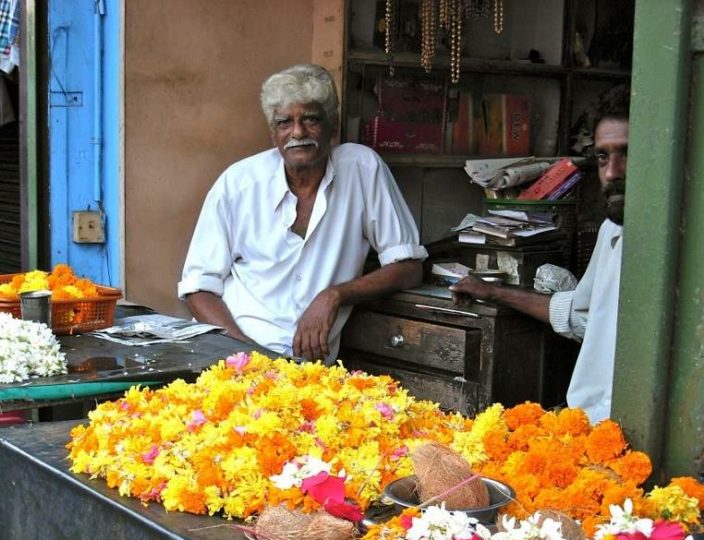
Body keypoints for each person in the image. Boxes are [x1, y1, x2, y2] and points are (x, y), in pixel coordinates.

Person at [178, 64, 427, 364]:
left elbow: (409, 267)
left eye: (310, 119)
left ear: (332, 125)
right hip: (233, 360)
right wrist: (244, 354)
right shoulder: (238, 184)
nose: (298, 132)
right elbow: (198, 288)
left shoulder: (362, 169)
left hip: (308, 374)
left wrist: (333, 296)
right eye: (284, 122)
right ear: (273, 133)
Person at [450, 85, 630, 424]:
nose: (611, 172)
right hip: (590, 425)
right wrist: (491, 291)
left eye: (626, 153)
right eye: (603, 157)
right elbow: (579, 314)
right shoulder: (613, 230)